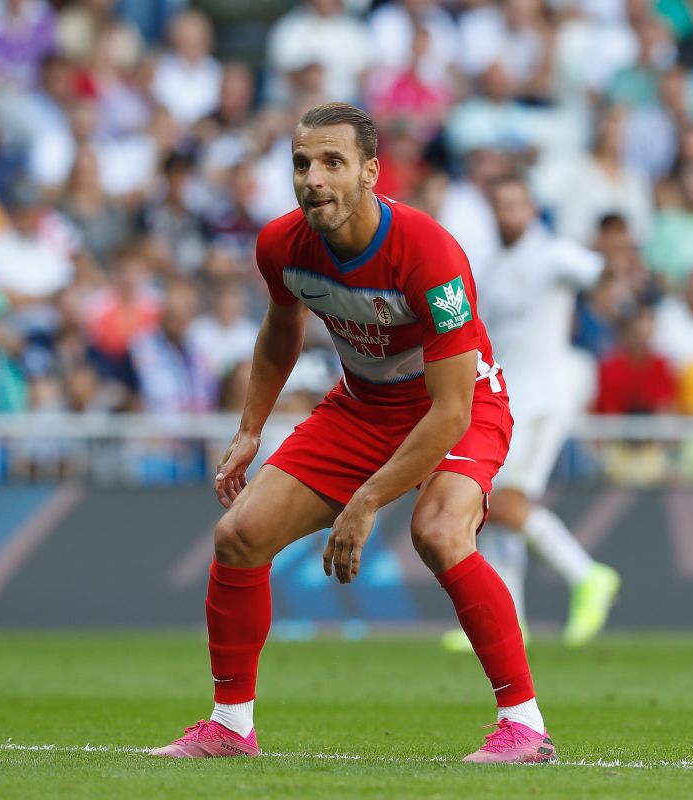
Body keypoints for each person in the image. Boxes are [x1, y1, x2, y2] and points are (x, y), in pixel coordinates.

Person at [147, 103, 552, 764]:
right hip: (362, 407)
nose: (314, 179)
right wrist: (251, 428)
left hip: (460, 403)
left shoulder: (429, 253)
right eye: (302, 164)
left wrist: (364, 503)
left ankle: (524, 726)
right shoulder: (281, 245)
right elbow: (283, 326)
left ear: (370, 172)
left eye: (332, 162)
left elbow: (449, 411)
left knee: (439, 531)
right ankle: (230, 725)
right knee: (239, 537)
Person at [443, 174, 620, 653]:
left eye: (517, 204)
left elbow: (602, 272)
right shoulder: (489, 264)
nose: (509, 213)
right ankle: (509, 621)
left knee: (504, 502)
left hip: (544, 400)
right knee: (492, 508)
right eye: (501, 204)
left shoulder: (553, 253)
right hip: (506, 398)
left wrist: (614, 274)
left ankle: (587, 575)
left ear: (531, 209)